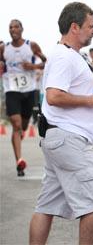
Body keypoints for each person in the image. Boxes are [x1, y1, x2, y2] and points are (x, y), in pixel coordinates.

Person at [29, 2, 93, 244]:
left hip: (61, 136)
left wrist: (89, 127)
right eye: (91, 26)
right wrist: (90, 101)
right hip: (67, 141)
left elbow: (62, 100)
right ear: (75, 27)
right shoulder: (64, 56)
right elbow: (54, 96)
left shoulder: (68, 55)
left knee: (46, 205)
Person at [0, 19, 46, 177]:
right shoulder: (3, 48)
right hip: (11, 90)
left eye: (16, 26)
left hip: (29, 90)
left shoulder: (31, 46)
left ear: (22, 29)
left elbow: (46, 62)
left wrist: (33, 66)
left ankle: (19, 136)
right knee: (16, 125)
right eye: (10, 27)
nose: (13, 29)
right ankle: (19, 161)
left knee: (24, 126)